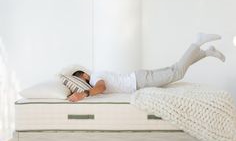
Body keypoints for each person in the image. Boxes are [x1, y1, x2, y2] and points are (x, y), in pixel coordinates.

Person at [68, 33, 225, 102]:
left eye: (79, 80)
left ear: (83, 76)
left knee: (177, 72)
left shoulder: (95, 78)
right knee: (174, 69)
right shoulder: (96, 74)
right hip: (139, 78)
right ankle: (206, 53)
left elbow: (101, 88)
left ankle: (198, 42)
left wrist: (84, 94)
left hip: (139, 81)